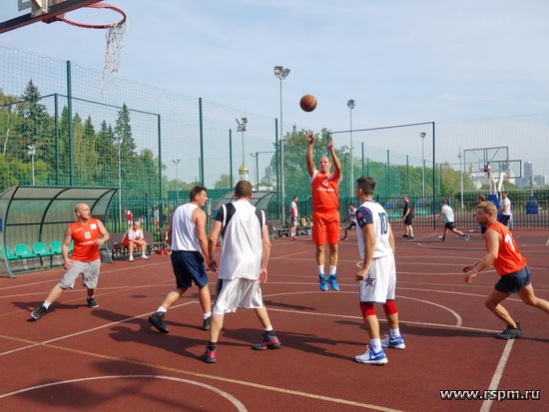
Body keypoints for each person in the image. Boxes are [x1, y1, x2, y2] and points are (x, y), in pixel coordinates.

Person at [201, 180, 281, 363]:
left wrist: (210, 257)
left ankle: (211, 349)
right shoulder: (260, 213)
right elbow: (267, 243)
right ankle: (271, 335)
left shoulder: (226, 209)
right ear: (251, 195)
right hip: (253, 265)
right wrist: (264, 266)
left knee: (219, 307)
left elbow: (212, 237)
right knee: (256, 299)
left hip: (232, 266)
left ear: (234, 193)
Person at [464, 201, 549, 339]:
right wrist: (475, 265)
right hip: (522, 269)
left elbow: (492, 255)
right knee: (532, 300)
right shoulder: (501, 227)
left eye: (479, 214)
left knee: (490, 303)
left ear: (489, 215)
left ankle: (513, 328)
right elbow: (497, 253)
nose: (476, 216)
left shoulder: (491, 231)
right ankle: (513, 327)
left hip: (512, 274)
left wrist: (475, 271)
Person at [354, 177, 405, 365]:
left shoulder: (363, 210)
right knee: (388, 298)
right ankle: (395, 337)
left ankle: (376, 351)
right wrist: (390, 258)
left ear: (360, 190)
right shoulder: (380, 208)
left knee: (366, 303)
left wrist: (365, 267)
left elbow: (370, 238)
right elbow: (391, 237)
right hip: (388, 258)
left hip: (376, 261)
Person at [148, 186, 212, 333]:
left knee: (182, 286)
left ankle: (159, 313)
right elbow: (201, 236)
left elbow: (170, 233)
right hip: (190, 253)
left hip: (176, 253)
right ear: (196, 196)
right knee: (203, 285)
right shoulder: (199, 213)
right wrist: (209, 257)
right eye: (204, 195)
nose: (206, 198)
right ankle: (208, 318)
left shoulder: (177, 210)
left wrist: (174, 245)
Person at [30, 203, 110, 320]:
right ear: (78, 213)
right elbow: (65, 245)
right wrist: (66, 258)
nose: (89, 211)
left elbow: (106, 235)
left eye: (89, 209)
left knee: (92, 285)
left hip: (94, 260)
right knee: (64, 283)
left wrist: (102, 240)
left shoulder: (96, 222)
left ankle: (90, 298)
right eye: (85, 210)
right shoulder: (72, 228)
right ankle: (44, 307)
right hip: (77, 260)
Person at [306, 130, 342, 291]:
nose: (322, 164)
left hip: (333, 214)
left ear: (329, 164)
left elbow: (339, 167)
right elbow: (309, 161)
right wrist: (311, 145)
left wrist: (332, 151)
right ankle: (321, 276)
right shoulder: (315, 176)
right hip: (319, 215)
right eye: (321, 162)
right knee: (320, 247)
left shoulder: (335, 177)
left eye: (325, 162)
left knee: (334, 246)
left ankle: (332, 276)